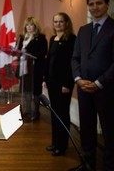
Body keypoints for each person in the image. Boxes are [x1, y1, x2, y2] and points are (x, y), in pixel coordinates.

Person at [71, 0, 114, 171]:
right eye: (91, 4)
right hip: (84, 88)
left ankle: (110, 166)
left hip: (107, 89)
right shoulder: (83, 30)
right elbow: (75, 58)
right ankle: (87, 164)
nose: (95, 7)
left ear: (107, 5)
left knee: (109, 131)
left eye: (99, 3)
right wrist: (79, 79)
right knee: (86, 129)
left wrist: (98, 83)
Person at [43, 12, 76, 156]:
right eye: (55, 21)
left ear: (66, 23)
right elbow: (49, 60)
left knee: (63, 114)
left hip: (63, 83)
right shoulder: (52, 38)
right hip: (52, 82)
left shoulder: (71, 39)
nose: (58, 24)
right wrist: (44, 79)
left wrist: (68, 84)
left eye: (61, 21)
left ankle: (62, 146)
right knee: (55, 113)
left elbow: (71, 64)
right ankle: (55, 142)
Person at [17, 17, 47, 121]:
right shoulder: (22, 38)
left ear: (35, 26)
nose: (29, 27)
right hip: (24, 68)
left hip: (36, 68)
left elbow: (43, 52)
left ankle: (36, 111)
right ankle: (27, 110)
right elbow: (18, 51)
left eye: (31, 25)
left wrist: (30, 54)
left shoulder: (41, 37)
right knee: (26, 90)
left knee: (35, 90)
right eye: (27, 25)